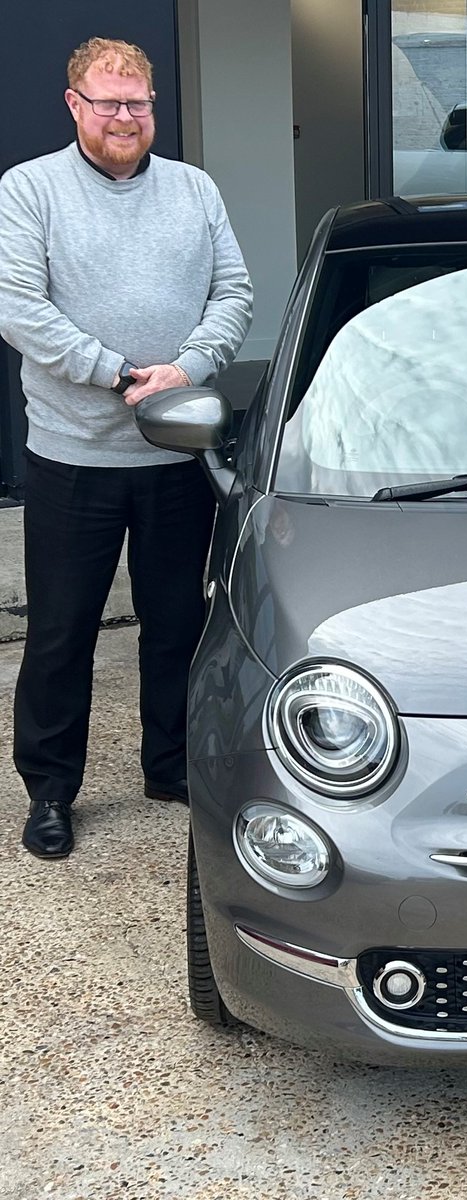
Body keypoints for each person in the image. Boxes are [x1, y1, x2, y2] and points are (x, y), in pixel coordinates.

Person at [0, 38, 252, 858]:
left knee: (178, 625)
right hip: (73, 457)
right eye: (107, 102)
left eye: (137, 102)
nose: (124, 117)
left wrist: (187, 369)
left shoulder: (194, 188)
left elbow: (234, 291)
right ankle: (50, 790)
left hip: (177, 456)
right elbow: (20, 308)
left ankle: (170, 767)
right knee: (61, 634)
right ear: (74, 104)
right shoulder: (30, 188)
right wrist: (114, 373)